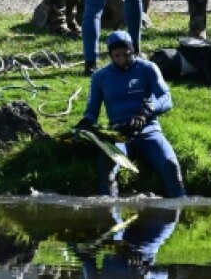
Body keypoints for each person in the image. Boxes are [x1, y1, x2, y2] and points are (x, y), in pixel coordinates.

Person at [74, 30, 186, 198]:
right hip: (119, 135)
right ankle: (109, 209)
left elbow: (166, 98)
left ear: (132, 51)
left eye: (126, 55)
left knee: (170, 164)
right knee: (108, 165)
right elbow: (92, 112)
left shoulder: (148, 68)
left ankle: (179, 203)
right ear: (110, 55)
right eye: (117, 56)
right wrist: (86, 123)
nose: (122, 60)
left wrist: (147, 111)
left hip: (149, 131)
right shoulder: (100, 77)